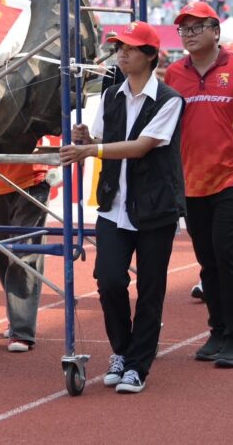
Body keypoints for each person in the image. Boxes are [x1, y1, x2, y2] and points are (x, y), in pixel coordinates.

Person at [60, 21, 185, 394]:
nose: (121, 53)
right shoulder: (111, 95)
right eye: (118, 47)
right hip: (113, 205)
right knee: (109, 279)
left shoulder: (170, 100)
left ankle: (137, 365)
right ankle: (122, 351)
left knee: (150, 289)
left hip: (155, 208)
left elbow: (141, 146)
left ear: (150, 55)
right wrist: (88, 138)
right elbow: (105, 139)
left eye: (130, 47)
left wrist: (91, 149)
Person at [164, 2, 233, 369]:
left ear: (215, 31)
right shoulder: (174, 75)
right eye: (184, 28)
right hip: (191, 183)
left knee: (229, 258)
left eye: (197, 27)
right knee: (207, 262)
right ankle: (217, 330)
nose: (190, 34)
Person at [0, 162, 50, 353]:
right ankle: (17, 315)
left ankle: (22, 330)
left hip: (32, 182)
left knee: (23, 255)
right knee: (1, 253)